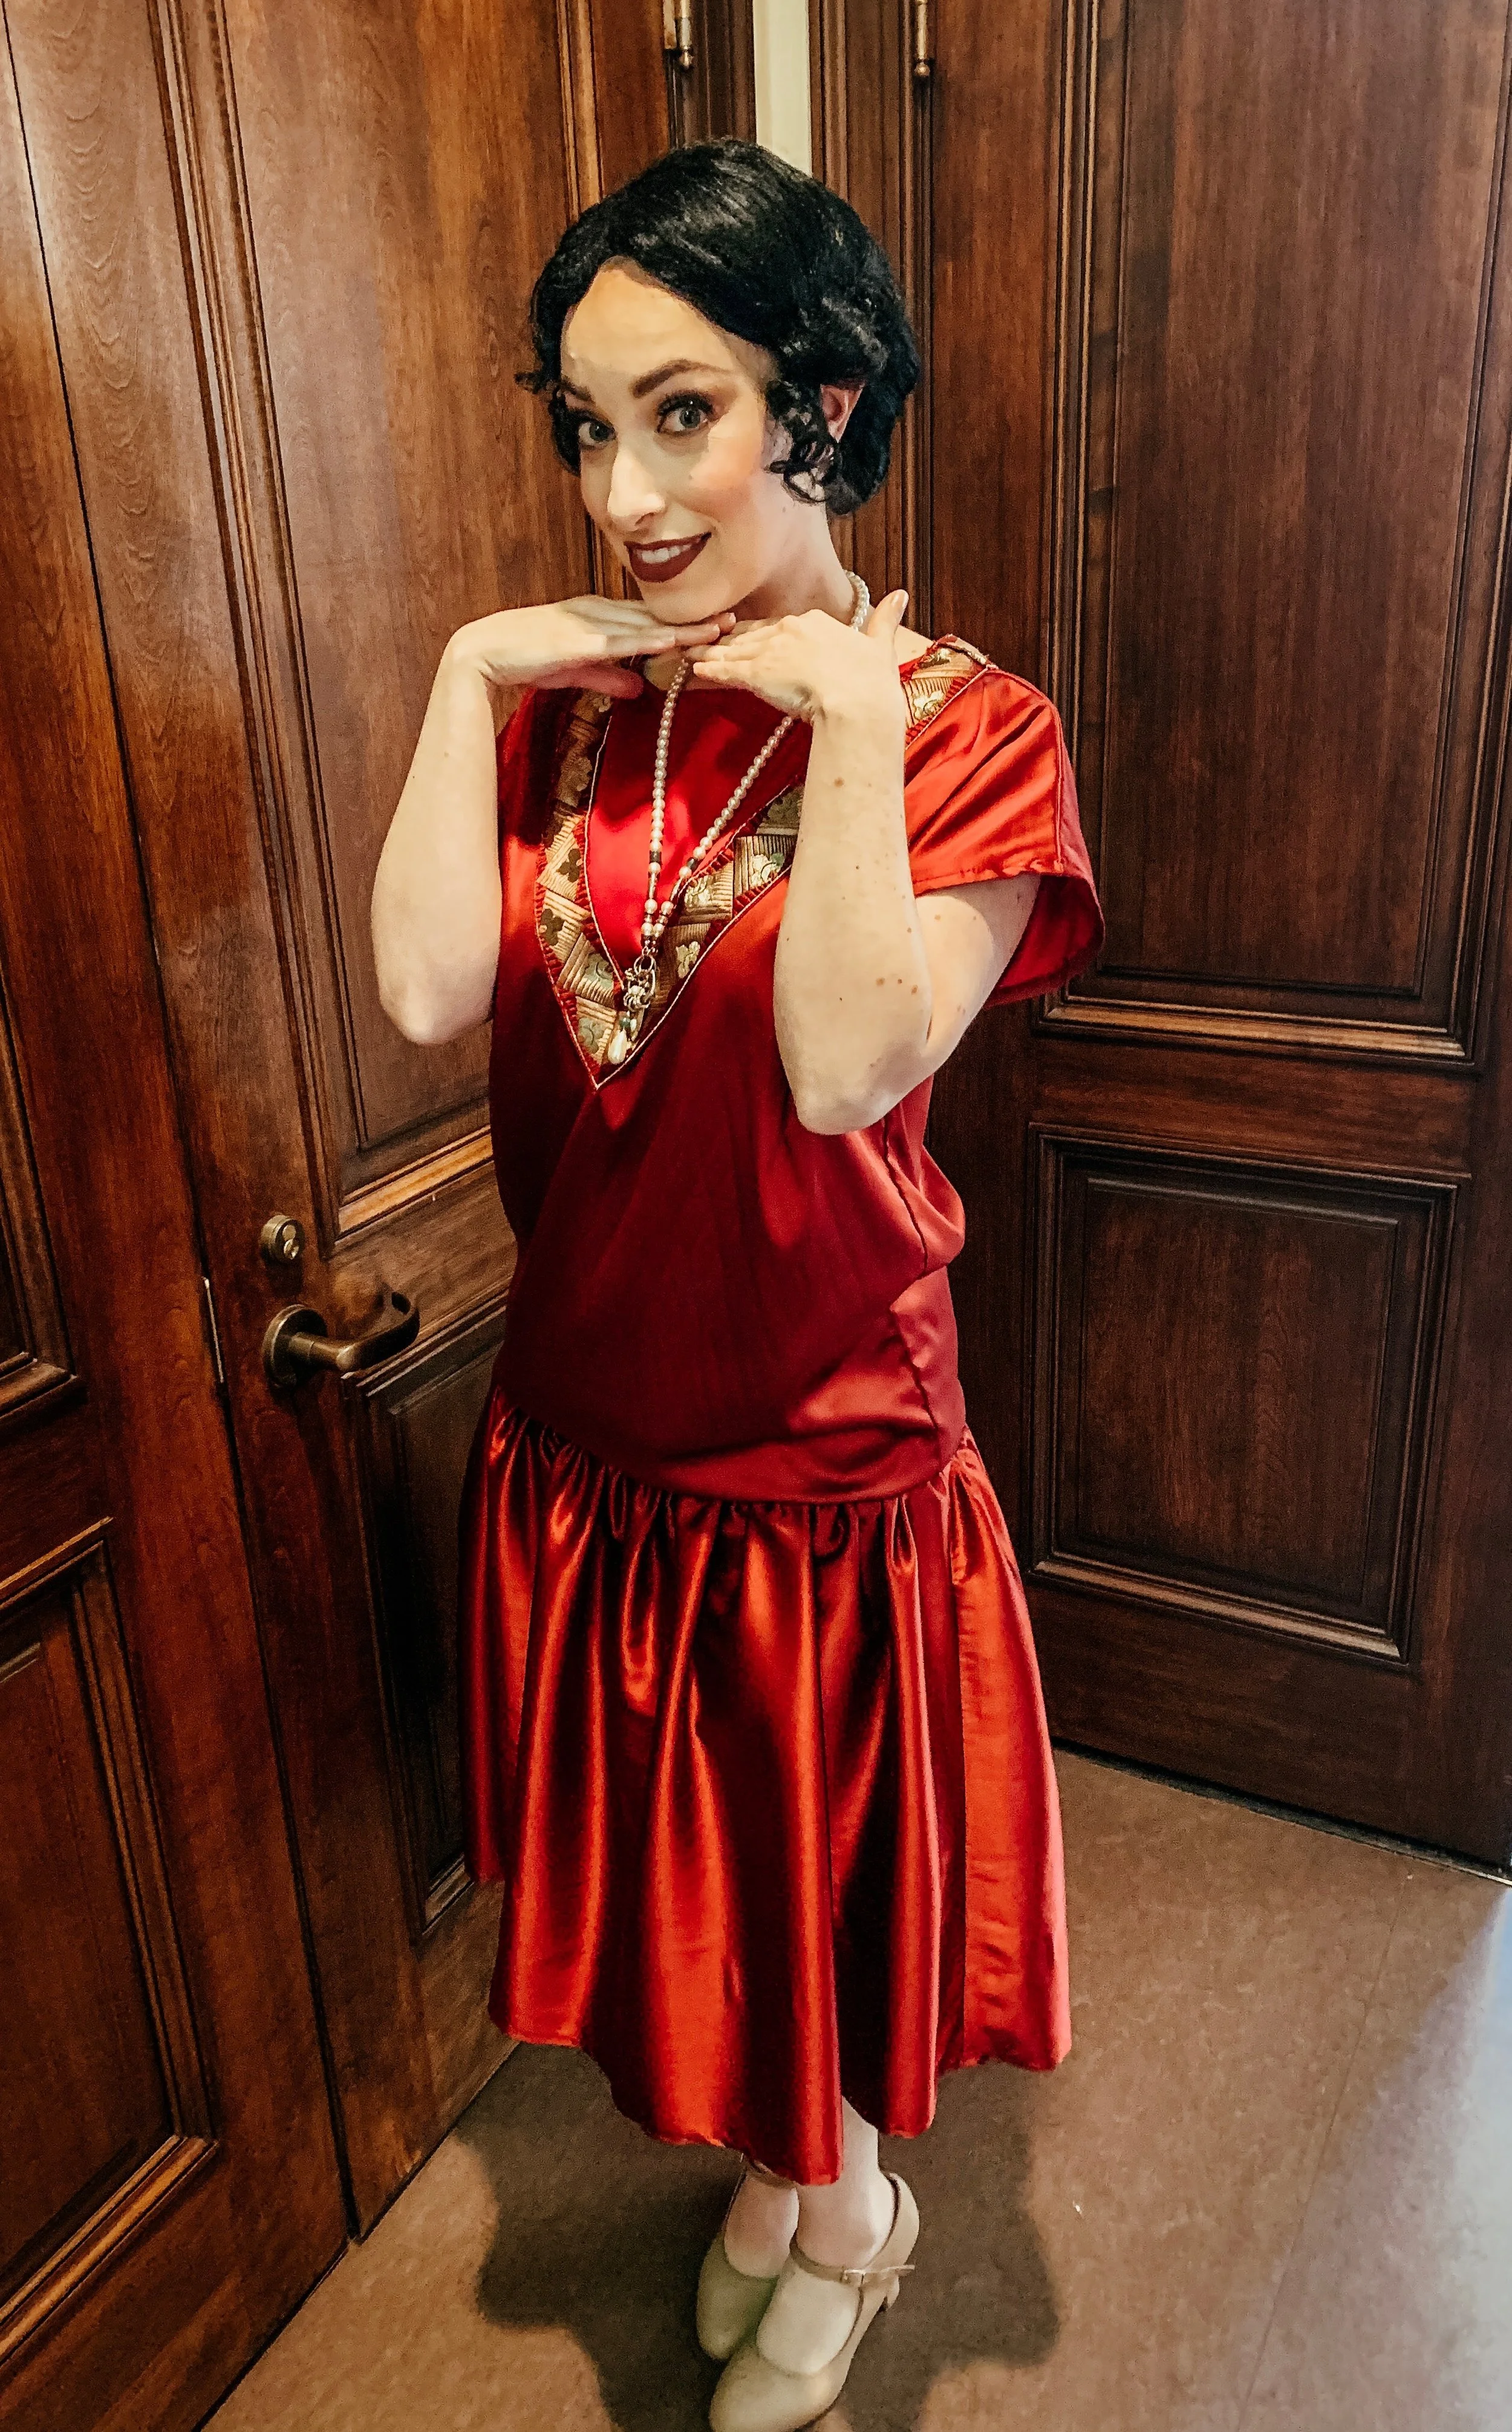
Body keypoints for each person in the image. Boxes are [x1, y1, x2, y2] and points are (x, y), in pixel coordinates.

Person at [372, 138, 1103, 2432]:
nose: (622, 495)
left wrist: (857, 722)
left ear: (822, 400)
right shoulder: (565, 708)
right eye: (586, 427)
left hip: (818, 1448)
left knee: (805, 1879)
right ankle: (795, 2183)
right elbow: (415, 994)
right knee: (698, 1887)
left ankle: (849, 2202)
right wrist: (468, 669)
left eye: (679, 414)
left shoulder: (977, 727)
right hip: (595, 1431)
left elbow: (837, 1065)